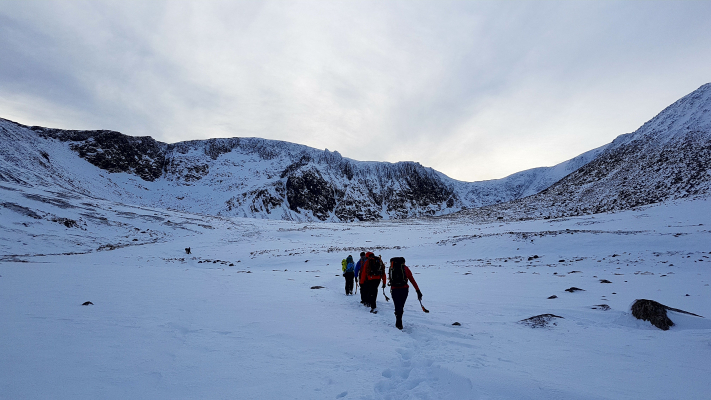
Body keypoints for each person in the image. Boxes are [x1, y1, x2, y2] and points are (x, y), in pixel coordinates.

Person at [388, 257, 422, 330]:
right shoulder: (406, 268)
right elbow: (412, 280)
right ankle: (399, 318)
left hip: (394, 289)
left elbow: (390, 279)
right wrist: (418, 290)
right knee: (401, 305)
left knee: (397, 305)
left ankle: (398, 320)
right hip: (404, 289)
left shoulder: (391, 269)